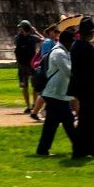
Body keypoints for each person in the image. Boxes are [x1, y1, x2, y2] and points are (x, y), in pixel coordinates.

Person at [33, 26, 78, 157]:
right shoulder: (59, 53)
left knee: (63, 123)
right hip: (55, 93)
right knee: (59, 124)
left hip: (59, 94)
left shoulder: (64, 52)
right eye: (72, 42)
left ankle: (79, 146)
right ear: (67, 42)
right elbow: (68, 72)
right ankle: (79, 147)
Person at [67, 19, 94, 159]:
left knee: (87, 118)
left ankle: (85, 148)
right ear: (90, 33)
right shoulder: (85, 47)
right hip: (87, 88)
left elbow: (84, 67)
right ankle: (84, 147)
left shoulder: (76, 45)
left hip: (82, 87)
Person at [13, 21, 41, 119]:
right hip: (22, 65)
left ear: (25, 28)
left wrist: (36, 32)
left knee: (35, 86)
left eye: (21, 28)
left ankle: (34, 104)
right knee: (24, 86)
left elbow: (43, 40)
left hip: (31, 65)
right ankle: (28, 106)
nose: (19, 30)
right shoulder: (17, 38)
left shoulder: (33, 38)